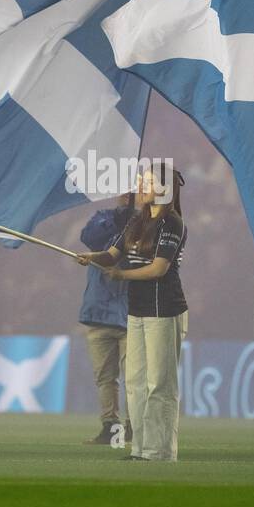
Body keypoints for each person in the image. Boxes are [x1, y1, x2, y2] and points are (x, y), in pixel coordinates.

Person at [77, 162, 187, 461]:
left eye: (147, 183)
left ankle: (160, 450)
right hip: (136, 311)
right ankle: (140, 448)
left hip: (164, 309)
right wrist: (92, 257)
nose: (141, 187)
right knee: (135, 383)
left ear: (163, 189)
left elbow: (158, 268)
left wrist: (122, 276)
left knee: (159, 384)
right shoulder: (135, 222)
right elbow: (112, 255)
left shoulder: (172, 223)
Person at [78, 194, 134, 446]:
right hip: (99, 313)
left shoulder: (146, 225)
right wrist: (116, 218)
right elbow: (88, 238)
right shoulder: (103, 218)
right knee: (105, 377)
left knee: (133, 376)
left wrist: (131, 221)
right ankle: (110, 427)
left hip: (130, 313)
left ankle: (133, 427)